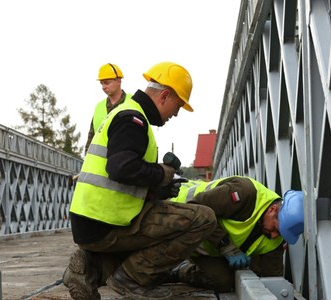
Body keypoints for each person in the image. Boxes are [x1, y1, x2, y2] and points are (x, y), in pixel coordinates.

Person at [63, 61, 218, 300]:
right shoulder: (133, 119)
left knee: (164, 217)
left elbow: (123, 174)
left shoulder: (126, 113)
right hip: (107, 222)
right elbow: (120, 167)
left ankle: (92, 265)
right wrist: (161, 173)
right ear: (165, 96)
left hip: (92, 222)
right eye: (177, 106)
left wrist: (158, 187)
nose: (175, 114)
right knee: (203, 218)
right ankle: (130, 279)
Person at [166, 176, 304, 292]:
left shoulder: (277, 238)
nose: (274, 236)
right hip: (174, 222)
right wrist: (227, 247)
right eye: (276, 229)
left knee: (223, 282)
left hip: (205, 249)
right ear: (272, 210)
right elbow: (196, 210)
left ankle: (180, 270)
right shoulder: (244, 193)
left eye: (281, 234)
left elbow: (273, 278)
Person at [84, 63, 132, 155]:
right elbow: (91, 136)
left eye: (106, 83)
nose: (103, 87)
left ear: (118, 81)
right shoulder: (99, 107)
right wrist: (87, 158)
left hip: (125, 161)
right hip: (101, 164)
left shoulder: (133, 102)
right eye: (101, 83)